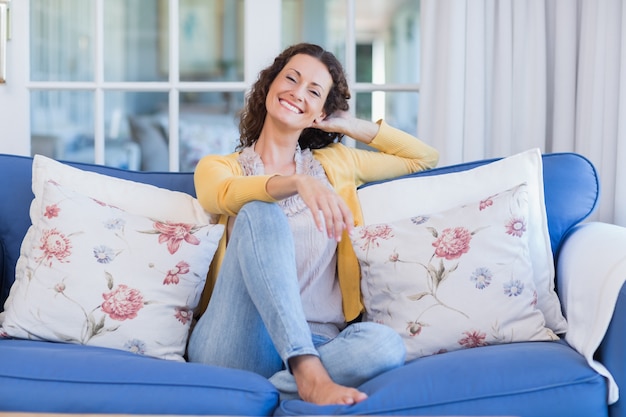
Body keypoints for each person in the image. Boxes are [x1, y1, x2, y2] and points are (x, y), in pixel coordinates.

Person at [187, 43, 439, 406]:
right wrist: (295, 183)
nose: (297, 92)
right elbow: (219, 195)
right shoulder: (221, 166)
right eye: (291, 78)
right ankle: (305, 375)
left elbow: (423, 158)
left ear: (322, 110)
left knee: (385, 345)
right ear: (270, 85)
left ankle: (272, 394)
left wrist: (348, 124)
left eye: (314, 91)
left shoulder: (334, 164)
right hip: (236, 340)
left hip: (320, 338)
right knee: (260, 211)